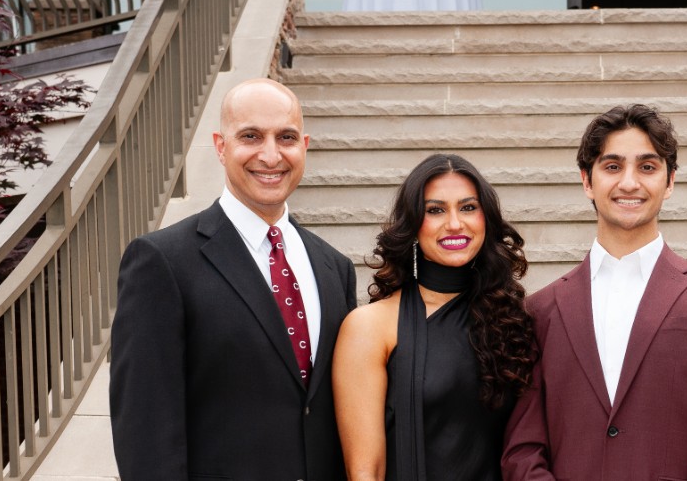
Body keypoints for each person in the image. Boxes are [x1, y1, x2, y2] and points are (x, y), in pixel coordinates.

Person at [109, 78, 357, 480]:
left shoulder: (334, 267)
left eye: (287, 137)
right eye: (251, 136)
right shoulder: (162, 262)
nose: (271, 155)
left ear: (305, 146)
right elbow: (145, 428)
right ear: (221, 146)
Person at [502, 104, 687, 479]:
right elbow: (522, 450)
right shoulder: (540, 310)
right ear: (586, 181)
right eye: (612, 166)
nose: (629, 183)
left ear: (670, 181)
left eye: (647, 167)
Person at [333, 153, 536, 481]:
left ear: (487, 219)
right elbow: (366, 472)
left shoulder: (510, 320)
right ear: (413, 224)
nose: (455, 223)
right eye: (435, 210)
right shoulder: (371, 326)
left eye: (468, 207)